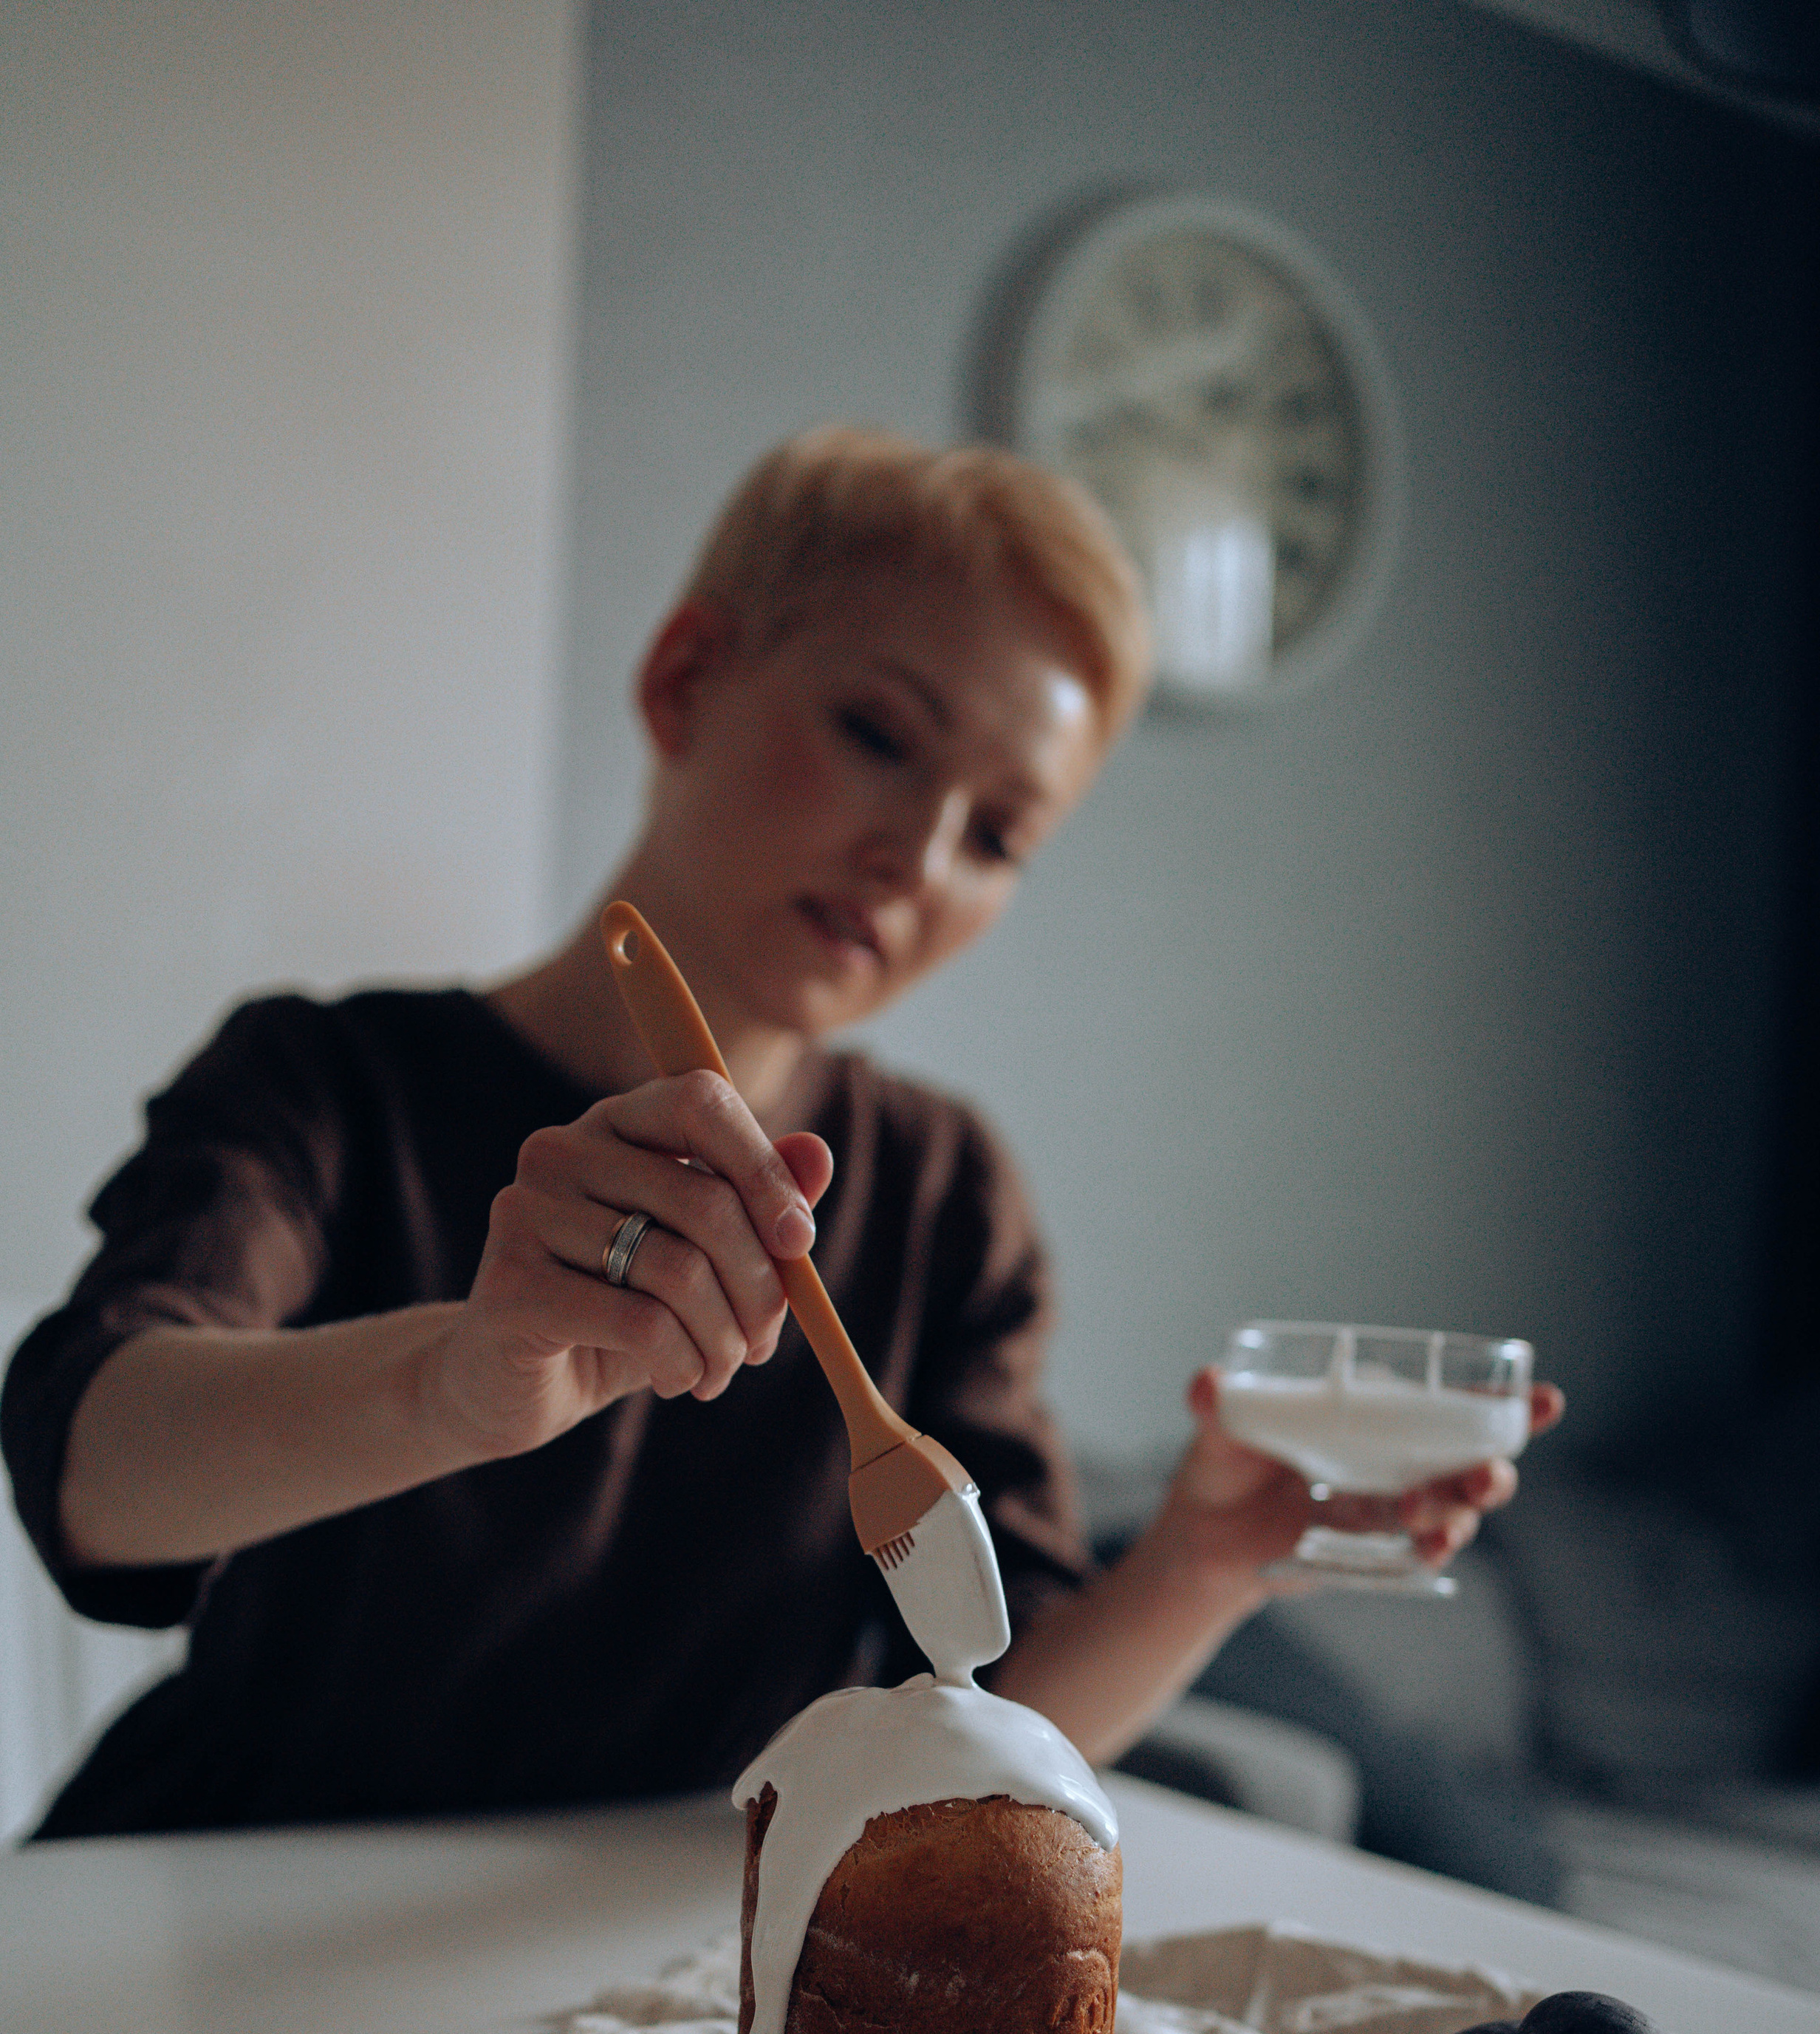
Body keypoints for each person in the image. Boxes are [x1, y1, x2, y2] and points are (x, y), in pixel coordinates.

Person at [2, 427, 1556, 1837]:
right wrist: (462, 1383)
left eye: (999, 831)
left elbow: (979, 1728)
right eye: (881, 734)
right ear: (685, 680)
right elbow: (91, 1471)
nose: (916, 855)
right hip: (212, 1911)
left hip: (634, 1982)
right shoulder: (326, 1084)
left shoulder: (945, 1198)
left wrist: (1204, 1562)